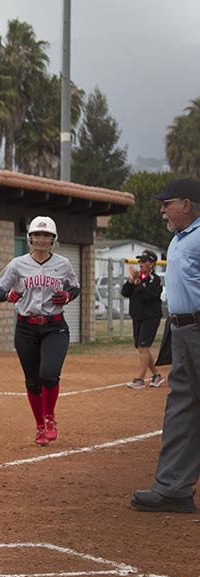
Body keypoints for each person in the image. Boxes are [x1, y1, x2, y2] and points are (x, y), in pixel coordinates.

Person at [132, 178, 200, 513]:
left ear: (186, 204)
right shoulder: (180, 240)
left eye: (167, 203)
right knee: (182, 407)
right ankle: (174, 487)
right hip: (183, 330)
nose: (162, 210)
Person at [0, 216, 80, 447]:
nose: (41, 239)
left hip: (54, 326)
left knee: (48, 374)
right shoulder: (17, 264)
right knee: (32, 381)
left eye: (46, 235)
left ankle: (50, 418)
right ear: (30, 238)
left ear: (53, 240)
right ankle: (40, 426)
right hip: (26, 328)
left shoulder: (63, 264)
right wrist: (8, 295)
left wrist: (69, 295)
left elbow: (74, 286)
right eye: (37, 235)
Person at [122, 250, 165, 390]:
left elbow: (149, 295)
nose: (140, 263)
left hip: (150, 317)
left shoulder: (154, 279)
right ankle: (157, 376)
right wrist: (131, 280)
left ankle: (140, 379)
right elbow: (125, 292)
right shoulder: (138, 277)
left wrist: (138, 282)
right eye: (140, 260)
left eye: (144, 261)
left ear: (152, 264)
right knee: (142, 348)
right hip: (138, 317)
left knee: (143, 347)